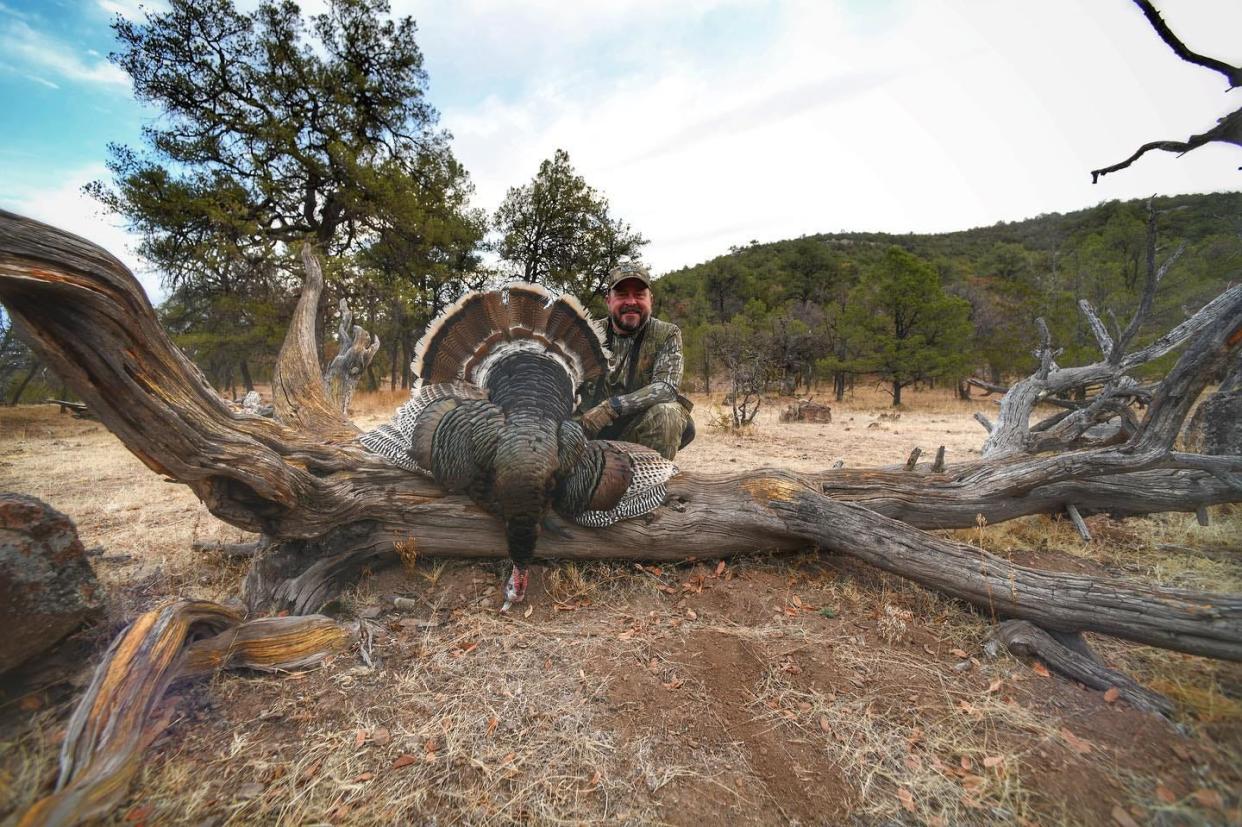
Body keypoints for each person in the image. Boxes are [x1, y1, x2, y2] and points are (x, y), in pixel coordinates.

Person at [577, 262, 695, 459]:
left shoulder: (667, 333)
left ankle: (648, 485)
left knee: (668, 413)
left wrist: (611, 407)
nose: (631, 301)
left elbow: (666, 388)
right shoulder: (585, 335)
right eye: (622, 294)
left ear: (651, 300)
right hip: (586, 437)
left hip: (636, 436)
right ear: (608, 300)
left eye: (639, 294)